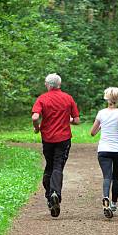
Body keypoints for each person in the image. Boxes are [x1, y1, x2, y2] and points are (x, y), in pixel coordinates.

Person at [32, 73, 80, 218]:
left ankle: (49, 195)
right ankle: (55, 193)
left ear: (48, 84)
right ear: (59, 84)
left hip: (47, 138)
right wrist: (68, 120)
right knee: (58, 166)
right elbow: (77, 120)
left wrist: (37, 127)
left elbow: (35, 116)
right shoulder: (68, 98)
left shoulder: (42, 98)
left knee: (49, 165)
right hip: (64, 138)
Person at [90, 87, 118, 218]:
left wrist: (102, 125)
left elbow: (92, 132)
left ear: (107, 98)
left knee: (106, 176)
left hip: (103, 150)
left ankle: (105, 198)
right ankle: (113, 204)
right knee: (116, 176)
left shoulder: (101, 113)